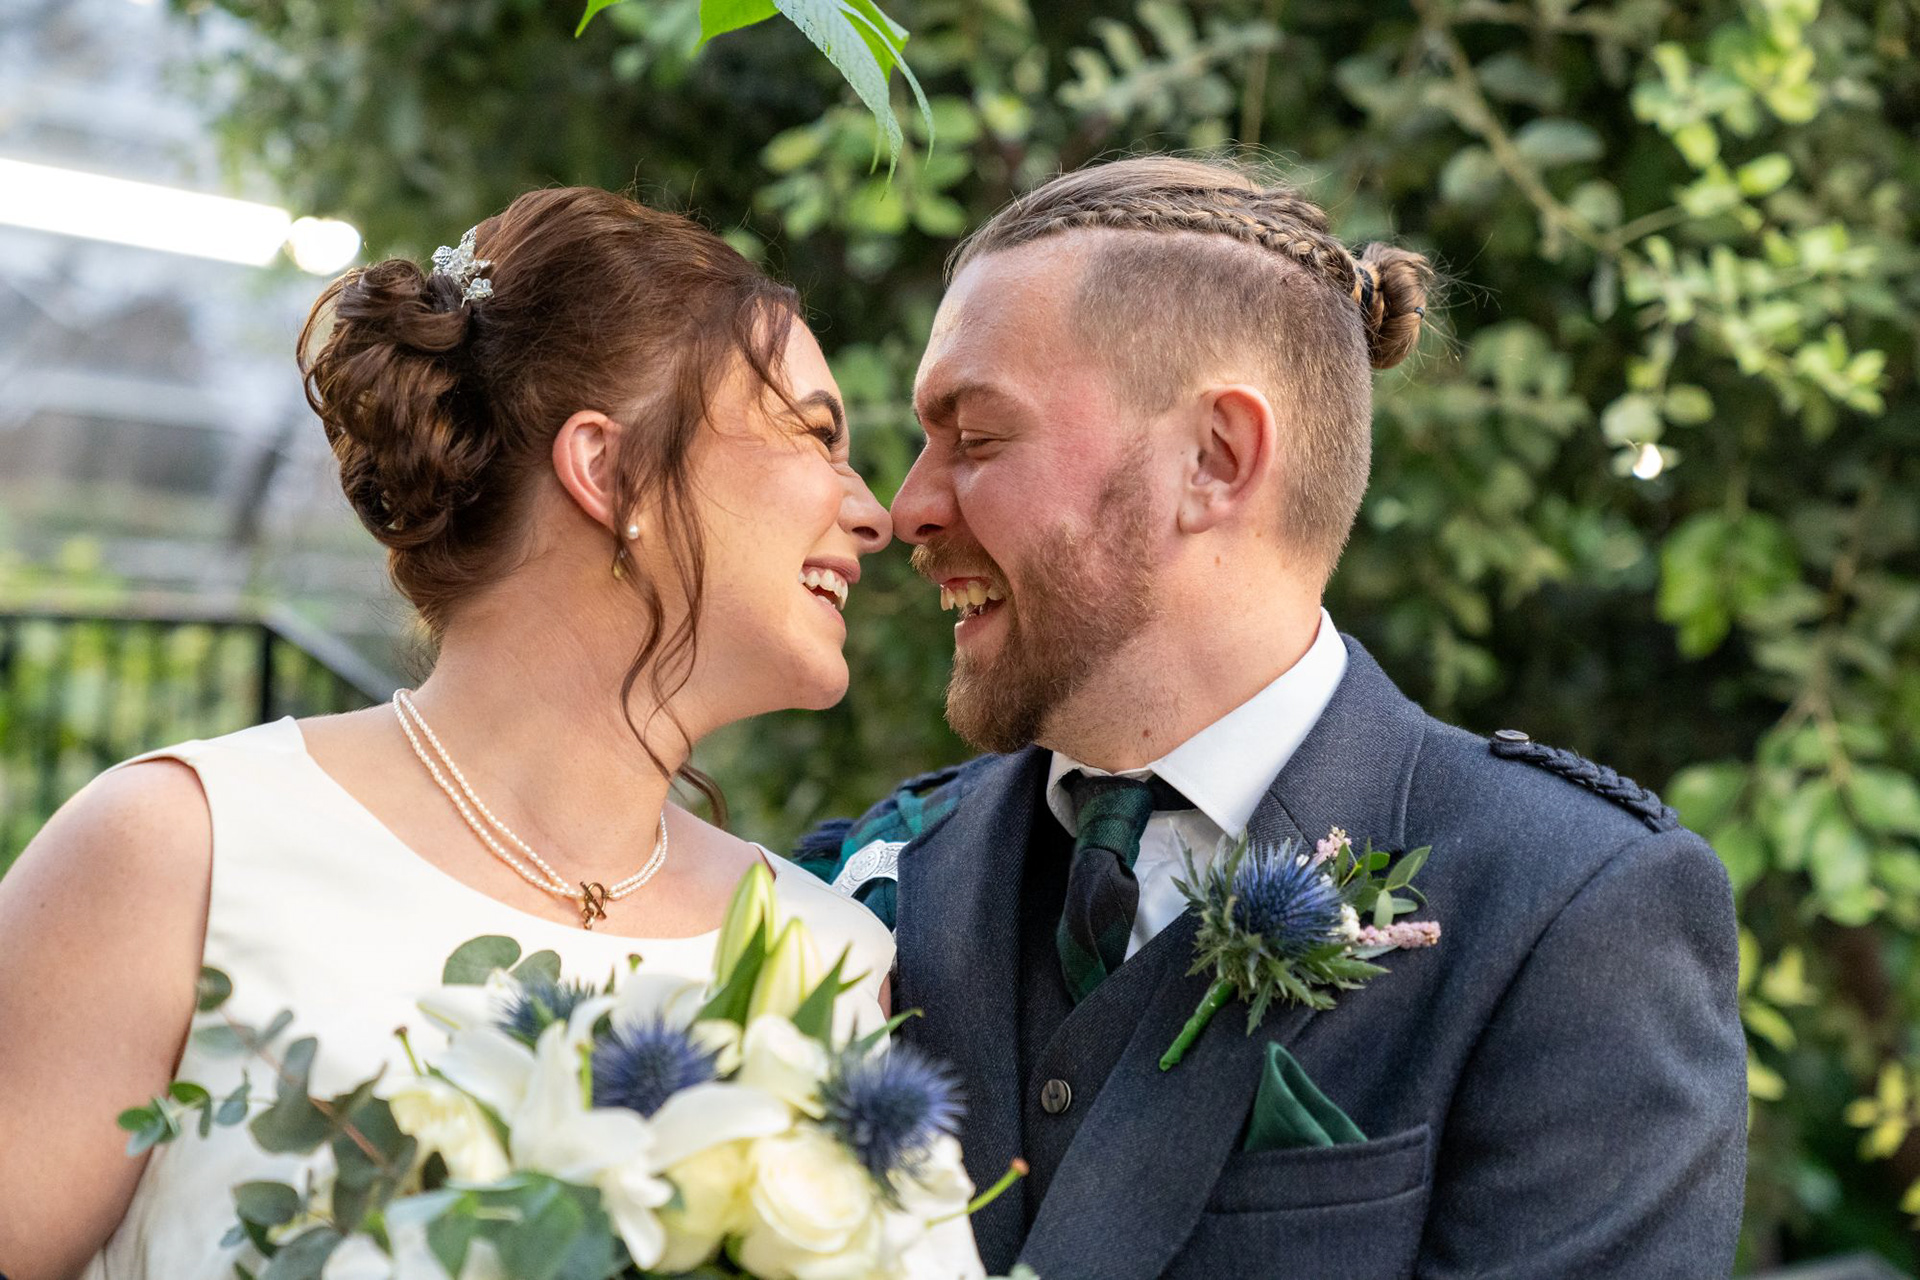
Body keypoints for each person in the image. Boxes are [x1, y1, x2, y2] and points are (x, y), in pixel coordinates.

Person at [802, 156, 1747, 1279]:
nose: (906, 507)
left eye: (978, 438)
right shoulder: (866, 882)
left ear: (1216, 458)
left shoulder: (1571, 911)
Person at [0, 186, 898, 1279]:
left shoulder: (829, 963)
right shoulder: (180, 852)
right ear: (610, 473)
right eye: (815, 433)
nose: (876, 511)